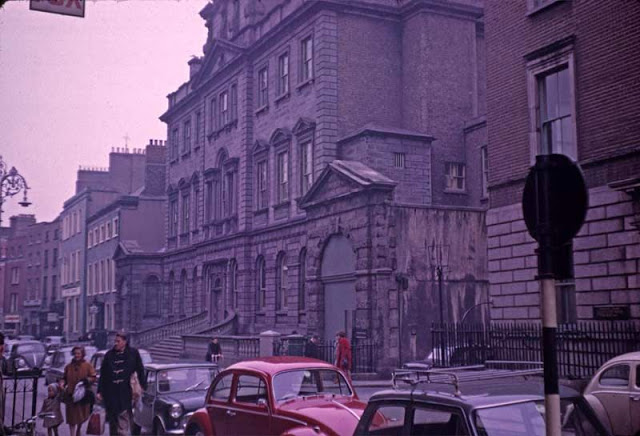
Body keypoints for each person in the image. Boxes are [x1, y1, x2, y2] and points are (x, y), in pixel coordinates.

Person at [97, 331, 146, 436]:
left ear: (125, 342)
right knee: (113, 421)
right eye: (115, 341)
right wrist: (99, 391)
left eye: (118, 341)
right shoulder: (109, 355)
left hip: (127, 392)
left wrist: (142, 386)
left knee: (125, 418)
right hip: (111, 393)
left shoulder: (133, 353)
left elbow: (140, 370)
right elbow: (103, 374)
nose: (115, 343)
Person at [62, 346, 96, 436]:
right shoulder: (68, 366)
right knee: (71, 418)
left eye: (79, 353)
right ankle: (72, 434)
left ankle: (79, 429)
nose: (77, 355)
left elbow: (93, 377)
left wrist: (87, 380)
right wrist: (62, 384)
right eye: (75, 353)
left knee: (81, 416)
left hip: (82, 395)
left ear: (82, 354)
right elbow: (64, 378)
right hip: (71, 395)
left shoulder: (87, 365)